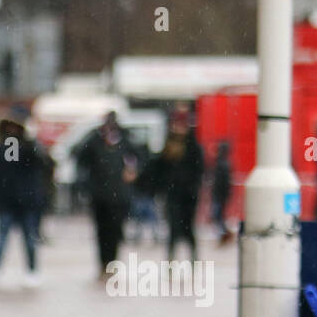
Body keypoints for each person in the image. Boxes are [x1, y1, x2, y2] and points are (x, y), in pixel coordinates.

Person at [0, 109, 44, 288]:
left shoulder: (29, 148)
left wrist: (31, 141)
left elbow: (42, 163)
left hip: (26, 202)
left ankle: (32, 271)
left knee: (29, 238)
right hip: (7, 202)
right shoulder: (1, 149)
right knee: (2, 237)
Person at [76, 111, 140, 278]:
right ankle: (103, 263)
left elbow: (140, 156)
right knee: (101, 232)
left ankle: (112, 263)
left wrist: (133, 171)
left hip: (118, 196)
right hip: (99, 196)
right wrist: (87, 184)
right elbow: (80, 157)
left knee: (115, 231)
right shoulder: (94, 141)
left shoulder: (126, 140)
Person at [141, 108, 205, 262]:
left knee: (188, 229)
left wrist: (192, 187)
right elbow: (158, 170)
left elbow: (199, 170)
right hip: (172, 194)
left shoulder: (193, 148)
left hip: (188, 196)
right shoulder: (167, 147)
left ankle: (193, 259)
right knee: (173, 229)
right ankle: (171, 260)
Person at [211, 140, 233, 245]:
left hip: (219, 196)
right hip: (220, 195)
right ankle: (224, 235)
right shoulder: (224, 164)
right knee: (219, 216)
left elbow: (221, 183)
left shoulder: (221, 165)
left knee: (217, 216)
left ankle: (224, 235)